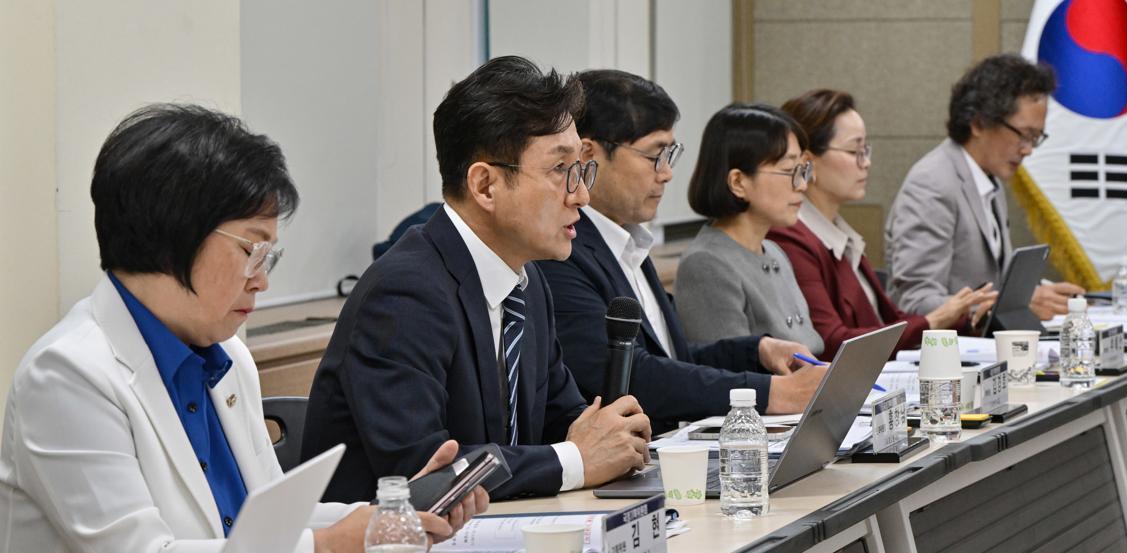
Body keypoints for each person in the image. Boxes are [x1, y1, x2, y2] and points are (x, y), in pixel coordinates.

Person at [0, 104, 484, 553]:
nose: (262, 280)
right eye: (252, 250)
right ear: (171, 236)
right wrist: (327, 545)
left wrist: (393, 512)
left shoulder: (228, 356)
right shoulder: (67, 376)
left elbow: (267, 522)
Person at [301, 56, 652, 502]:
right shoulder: (404, 294)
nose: (581, 195)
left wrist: (612, 439)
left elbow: (562, 421)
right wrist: (578, 460)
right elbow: (426, 471)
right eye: (561, 171)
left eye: (581, 170)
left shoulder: (527, 282)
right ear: (485, 185)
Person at [537, 70, 826, 434]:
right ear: (589, 154)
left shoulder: (628, 242)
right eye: (655, 155)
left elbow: (675, 356)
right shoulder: (562, 252)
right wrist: (770, 393)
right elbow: (626, 375)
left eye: (670, 154)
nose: (667, 173)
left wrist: (757, 350)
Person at [768, 90, 996, 359]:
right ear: (808, 162)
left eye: (866, 150)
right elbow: (831, 342)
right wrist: (933, 321)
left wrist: (964, 317)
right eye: (854, 151)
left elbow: (888, 320)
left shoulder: (839, 233)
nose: (866, 163)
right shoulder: (791, 238)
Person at [885, 54, 1084, 319]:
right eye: (1024, 135)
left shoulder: (989, 180)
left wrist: (1035, 294)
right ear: (979, 123)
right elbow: (915, 303)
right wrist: (1014, 303)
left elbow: (995, 284)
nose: (1028, 150)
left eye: (1036, 138)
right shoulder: (932, 184)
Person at [674, 103, 826, 354]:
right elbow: (728, 368)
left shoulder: (774, 251)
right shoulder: (706, 263)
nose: (801, 185)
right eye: (789, 171)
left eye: (802, 170)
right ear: (738, 182)